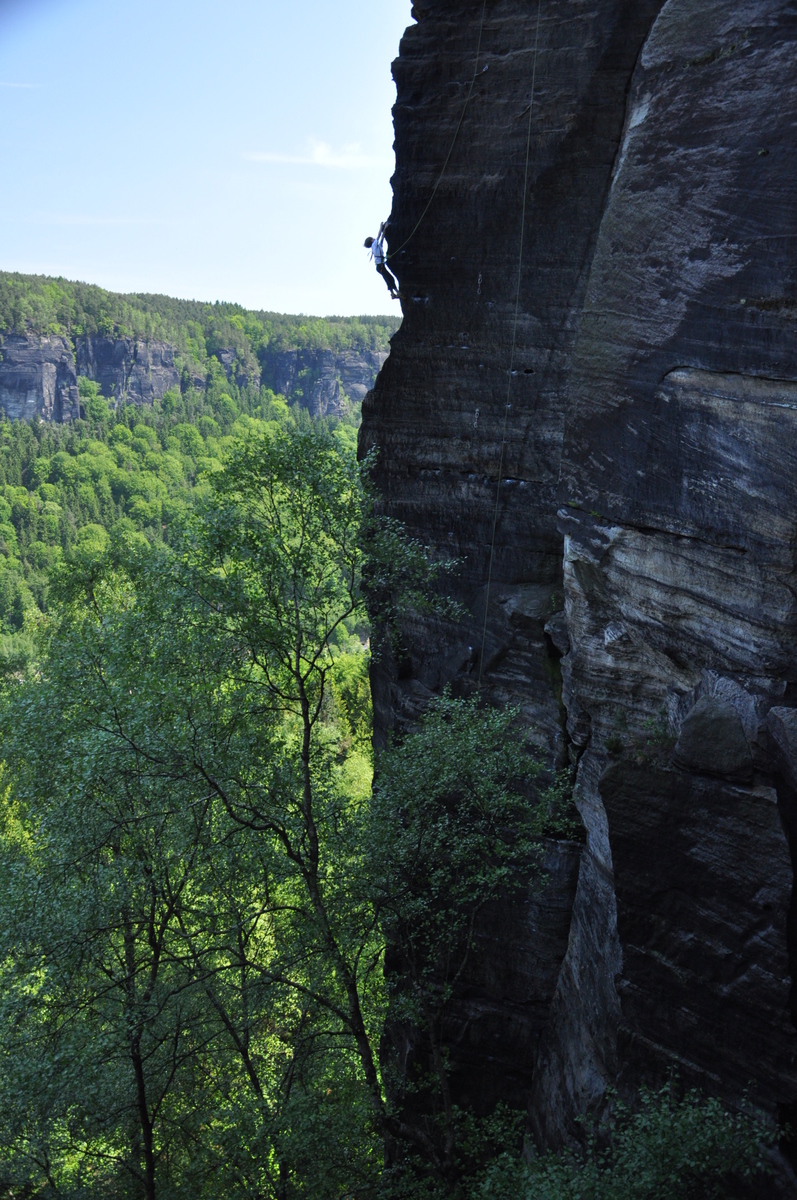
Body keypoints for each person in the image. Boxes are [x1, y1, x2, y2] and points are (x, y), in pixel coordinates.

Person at [365, 221, 400, 299]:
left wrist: (385, 229)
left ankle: (393, 294)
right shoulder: (373, 245)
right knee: (389, 278)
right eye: (372, 239)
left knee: (388, 278)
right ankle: (396, 292)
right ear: (371, 240)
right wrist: (381, 227)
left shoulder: (377, 246)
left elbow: (382, 237)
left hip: (380, 266)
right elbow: (378, 236)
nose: (374, 239)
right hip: (380, 266)